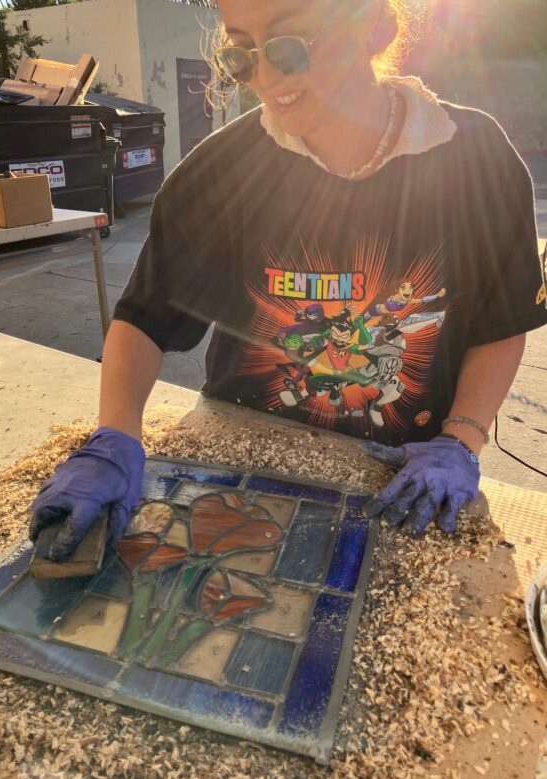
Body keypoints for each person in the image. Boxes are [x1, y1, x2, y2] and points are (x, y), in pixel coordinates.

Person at [30, 0, 547, 560]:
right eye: (241, 52)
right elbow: (145, 318)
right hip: (240, 456)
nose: (267, 75)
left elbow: (501, 320)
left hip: (401, 479)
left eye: (288, 42)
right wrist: (116, 437)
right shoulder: (222, 172)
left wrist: (460, 441)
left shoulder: (474, 158)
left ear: (372, 26)